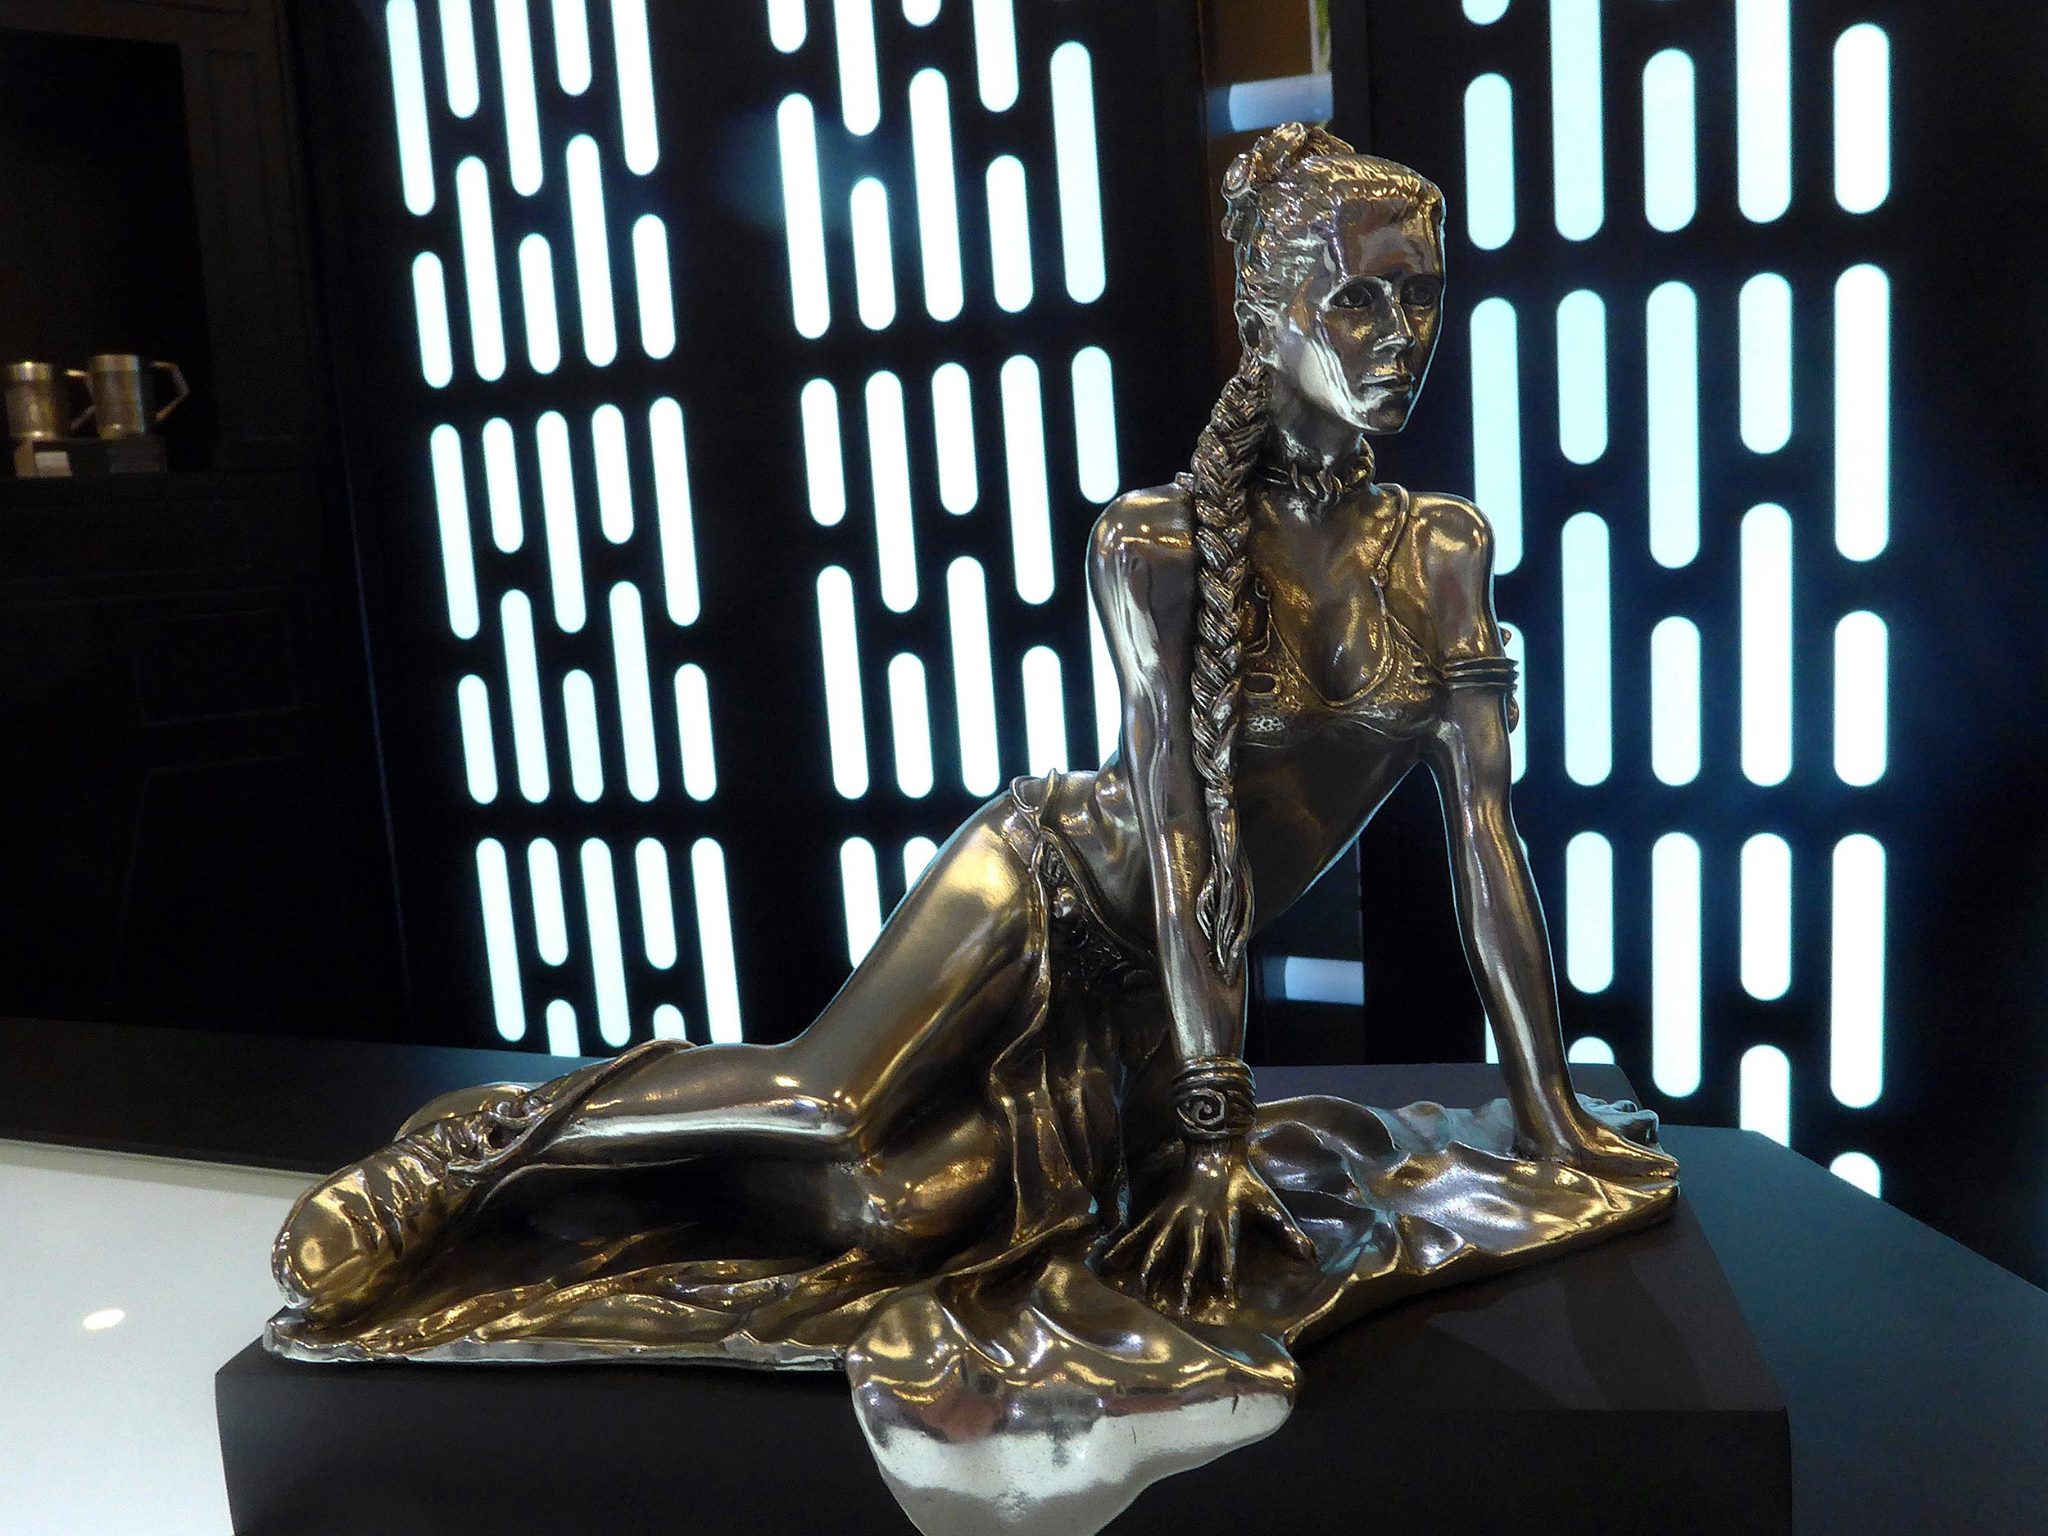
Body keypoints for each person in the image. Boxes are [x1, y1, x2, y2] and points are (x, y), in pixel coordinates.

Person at [270, 124, 1674, 1365]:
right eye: (1357, 298)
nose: (1399, 335)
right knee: (826, 1103)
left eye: (1421, 296)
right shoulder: (1158, 544)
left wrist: (1548, 1110)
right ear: (1267, 310)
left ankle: (586, 1210)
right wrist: (1213, 1121)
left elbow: (1486, 842)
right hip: (1049, 890)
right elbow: (1178, 830)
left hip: (1148, 997)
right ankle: (475, 1154)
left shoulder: (1441, 547)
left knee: (900, 1215)